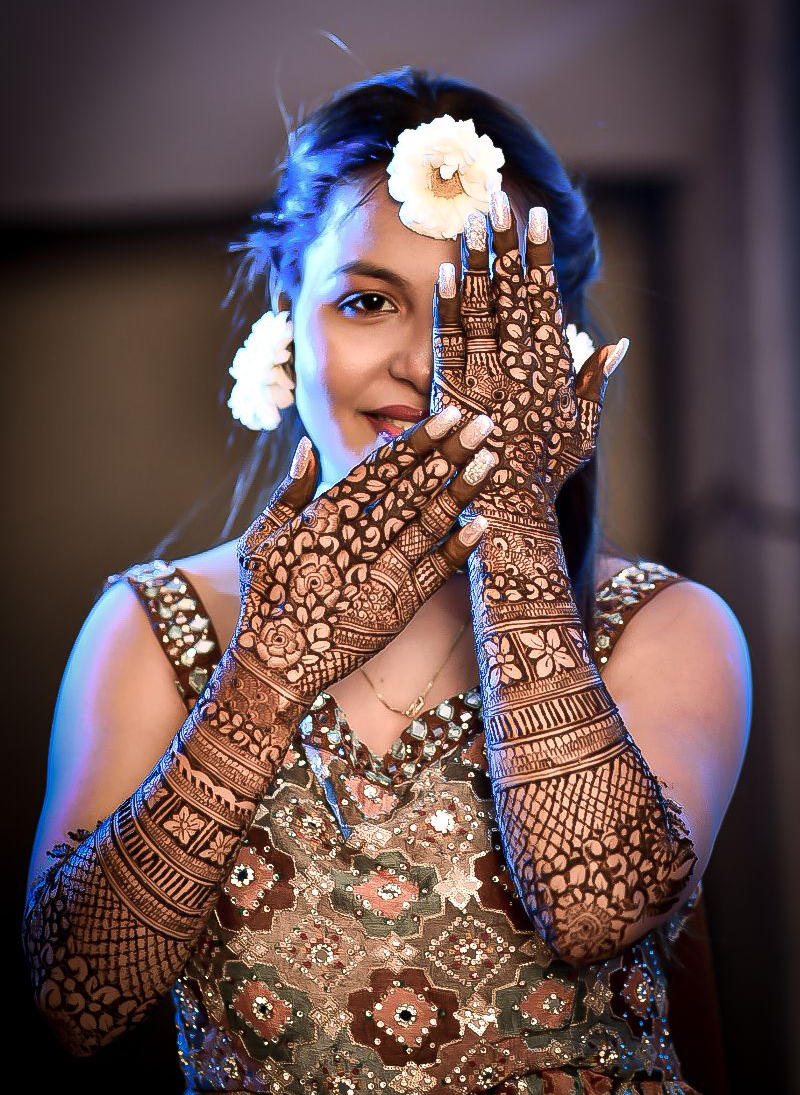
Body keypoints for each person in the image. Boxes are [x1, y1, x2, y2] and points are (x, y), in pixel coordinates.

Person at [23, 67, 751, 1093]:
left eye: (477, 317)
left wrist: (512, 520)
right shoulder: (155, 628)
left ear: (549, 348)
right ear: (289, 308)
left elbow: (596, 916)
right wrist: (270, 666)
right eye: (367, 302)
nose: (422, 364)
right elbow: (75, 1002)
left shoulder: (658, 627)